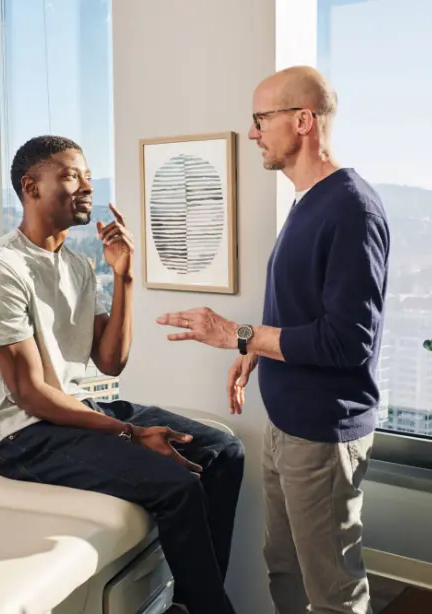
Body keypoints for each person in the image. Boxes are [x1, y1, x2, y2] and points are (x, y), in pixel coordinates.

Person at [0, 135, 244, 614]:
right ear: (31, 186)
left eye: (87, 175)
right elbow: (30, 395)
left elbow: (110, 362)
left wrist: (125, 277)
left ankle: (194, 604)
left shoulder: (77, 264)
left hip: (73, 410)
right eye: (72, 175)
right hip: (20, 437)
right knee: (179, 487)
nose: (87, 186)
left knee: (224, 450)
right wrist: (131, 434)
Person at [157, 66, 390, 614]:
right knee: (283, 572)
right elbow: (302, 309)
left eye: (262, 119)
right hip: (286, 425)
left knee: (333, 593)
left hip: (323, 435)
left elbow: (347, 341)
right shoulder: (307, 201)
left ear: (304, 121)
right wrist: (252, 351)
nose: (254, 132)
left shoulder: (351, 208)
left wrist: (238, 333)